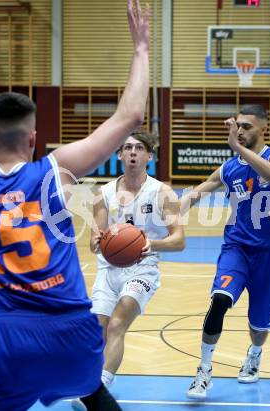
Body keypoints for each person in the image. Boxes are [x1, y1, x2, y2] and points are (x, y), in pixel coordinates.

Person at [0, 0, 149, 409]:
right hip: (74, 333)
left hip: (10, 341)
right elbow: (130, 116)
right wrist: (141, 48)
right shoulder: (55, 173)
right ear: (33, 137)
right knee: (89, 388)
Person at [180, 105, 270, 400]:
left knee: (259, 322)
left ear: (263, 129)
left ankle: (254, 353)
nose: (241, 131)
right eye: (238, 126)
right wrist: (176, 210)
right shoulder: (230, 167)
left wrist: (236, 148)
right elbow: (206, 185)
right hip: (237, 248)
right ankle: (204, 371)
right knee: (219, 300)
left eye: (247, 126)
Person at [81, 132, 184, 396]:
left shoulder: (162, 192)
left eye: (139, 148)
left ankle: (100, 387)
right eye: (127, 148)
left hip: (143, 269)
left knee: (117, 324)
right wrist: (98, 241)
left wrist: (152, 244)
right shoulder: (103, 193)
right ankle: (90, 379)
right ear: (120, 155)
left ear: (149, 156)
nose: (133, 152)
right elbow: (95, 239)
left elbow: (179, 240)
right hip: (108, 269)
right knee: (98, 329)